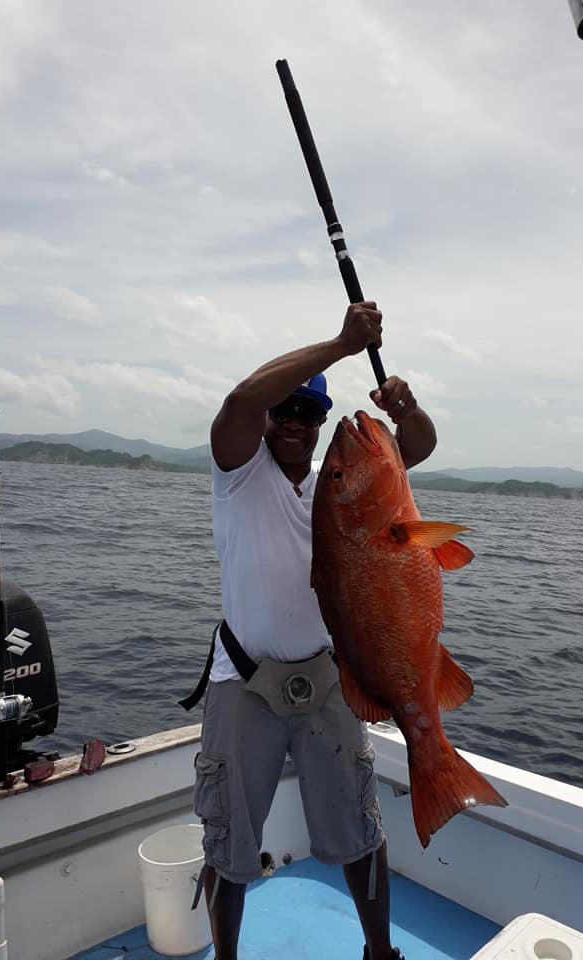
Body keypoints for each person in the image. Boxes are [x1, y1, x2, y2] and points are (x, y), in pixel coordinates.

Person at [194, 300, 437, 960]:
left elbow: (417, 444)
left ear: (323, 422)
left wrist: (406, 408)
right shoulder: (237, 471)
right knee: (228, 843)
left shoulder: (345, 481)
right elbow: (241, 401)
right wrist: (341, 344)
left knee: (360, 828)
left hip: (330, 677)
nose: (296, 423)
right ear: (269, 418)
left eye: (310, 413)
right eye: (285, 411)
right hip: (243, 682)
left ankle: (380, 952)